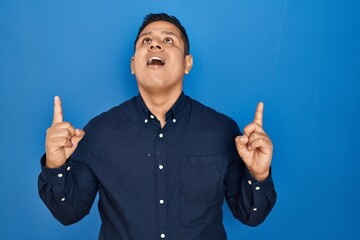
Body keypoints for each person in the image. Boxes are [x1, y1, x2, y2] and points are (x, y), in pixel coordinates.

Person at [38, 13, 276, 240]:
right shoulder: (99, 132)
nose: (155, 45)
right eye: (147, 40)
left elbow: (250, 216)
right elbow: (68, 213)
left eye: (168, 40)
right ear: (133, 64)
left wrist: (258, 174)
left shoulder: (221, 130)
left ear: (187, 63)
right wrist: (56, 165)